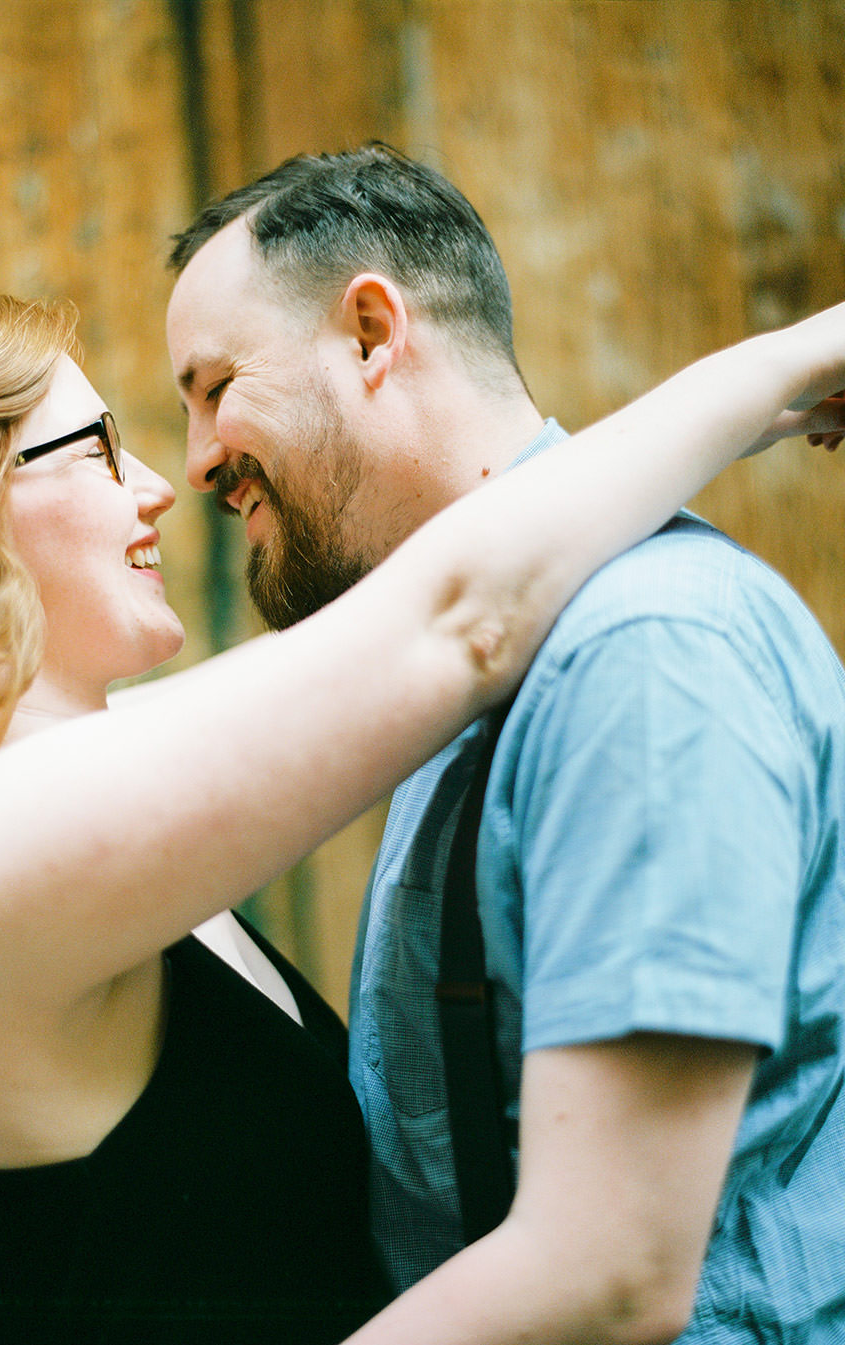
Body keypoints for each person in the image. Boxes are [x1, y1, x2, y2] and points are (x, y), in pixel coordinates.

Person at [165, 143, 845, 1344]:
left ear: (372, 334)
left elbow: (615, 1272)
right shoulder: (451, 651)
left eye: (215, 385)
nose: (196, 457)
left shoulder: (644, 654)